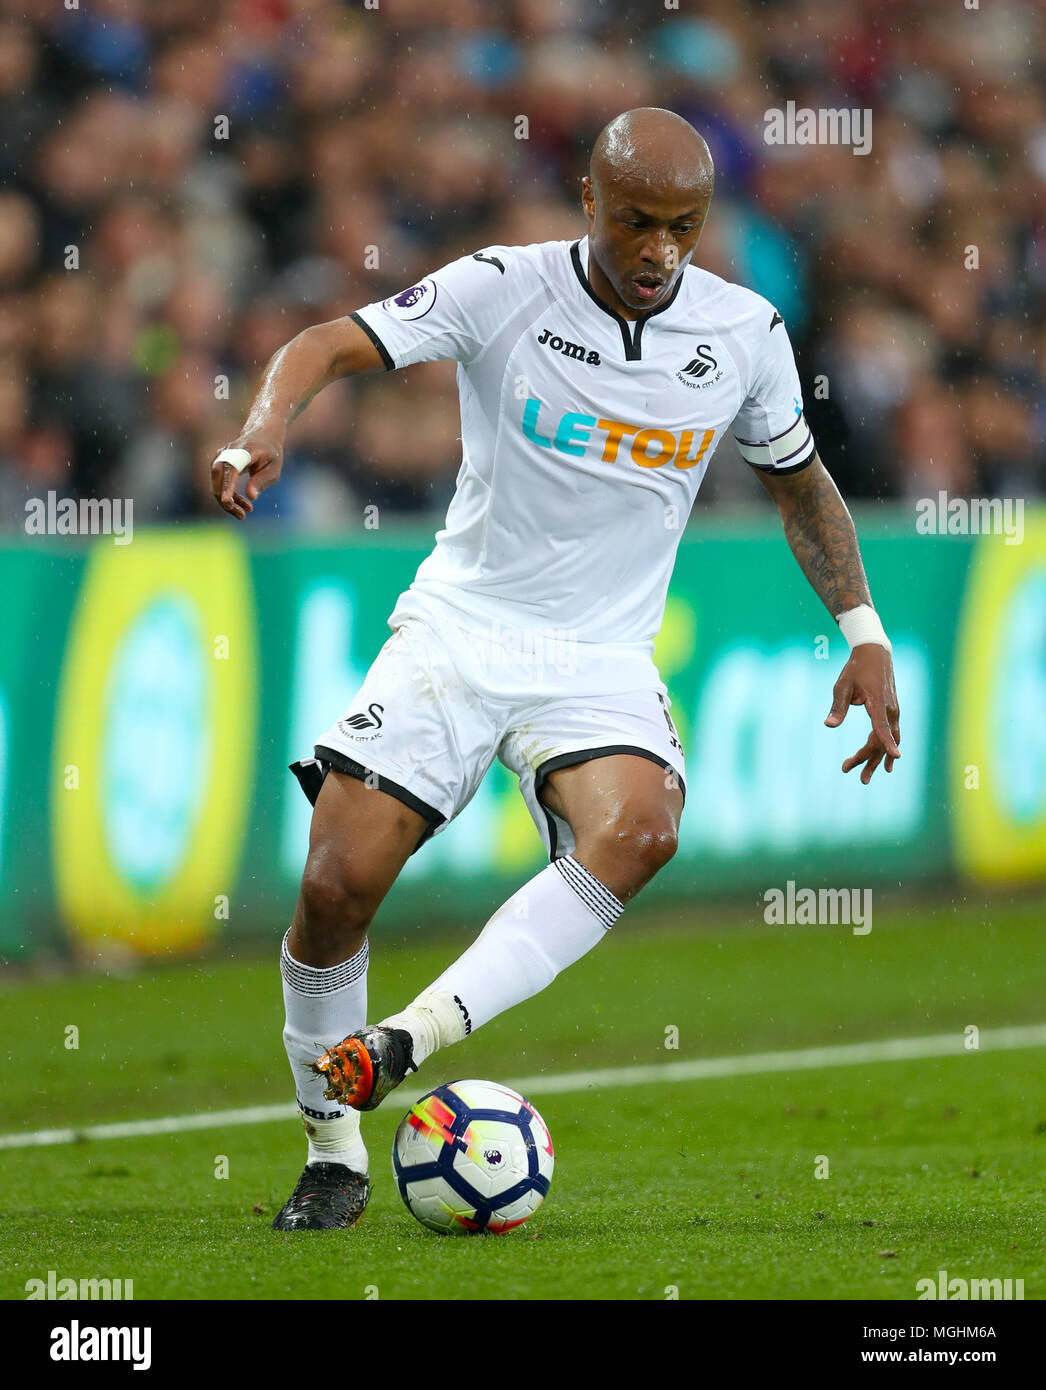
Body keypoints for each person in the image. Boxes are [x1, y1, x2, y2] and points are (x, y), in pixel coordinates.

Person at [211, 108, 901, 1231]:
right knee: (334, 887)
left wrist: (863, 632)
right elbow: (329, 341)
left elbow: (800, 484)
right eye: (634, 222)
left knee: (640, 830)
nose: (656, 251)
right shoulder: (503, 285)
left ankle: (405, 1041)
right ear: (588, 200)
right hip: (460, 625)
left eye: (681, 228)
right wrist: (263, 426)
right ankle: (333, 1150)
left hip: (598, 655)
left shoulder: (744, 332)